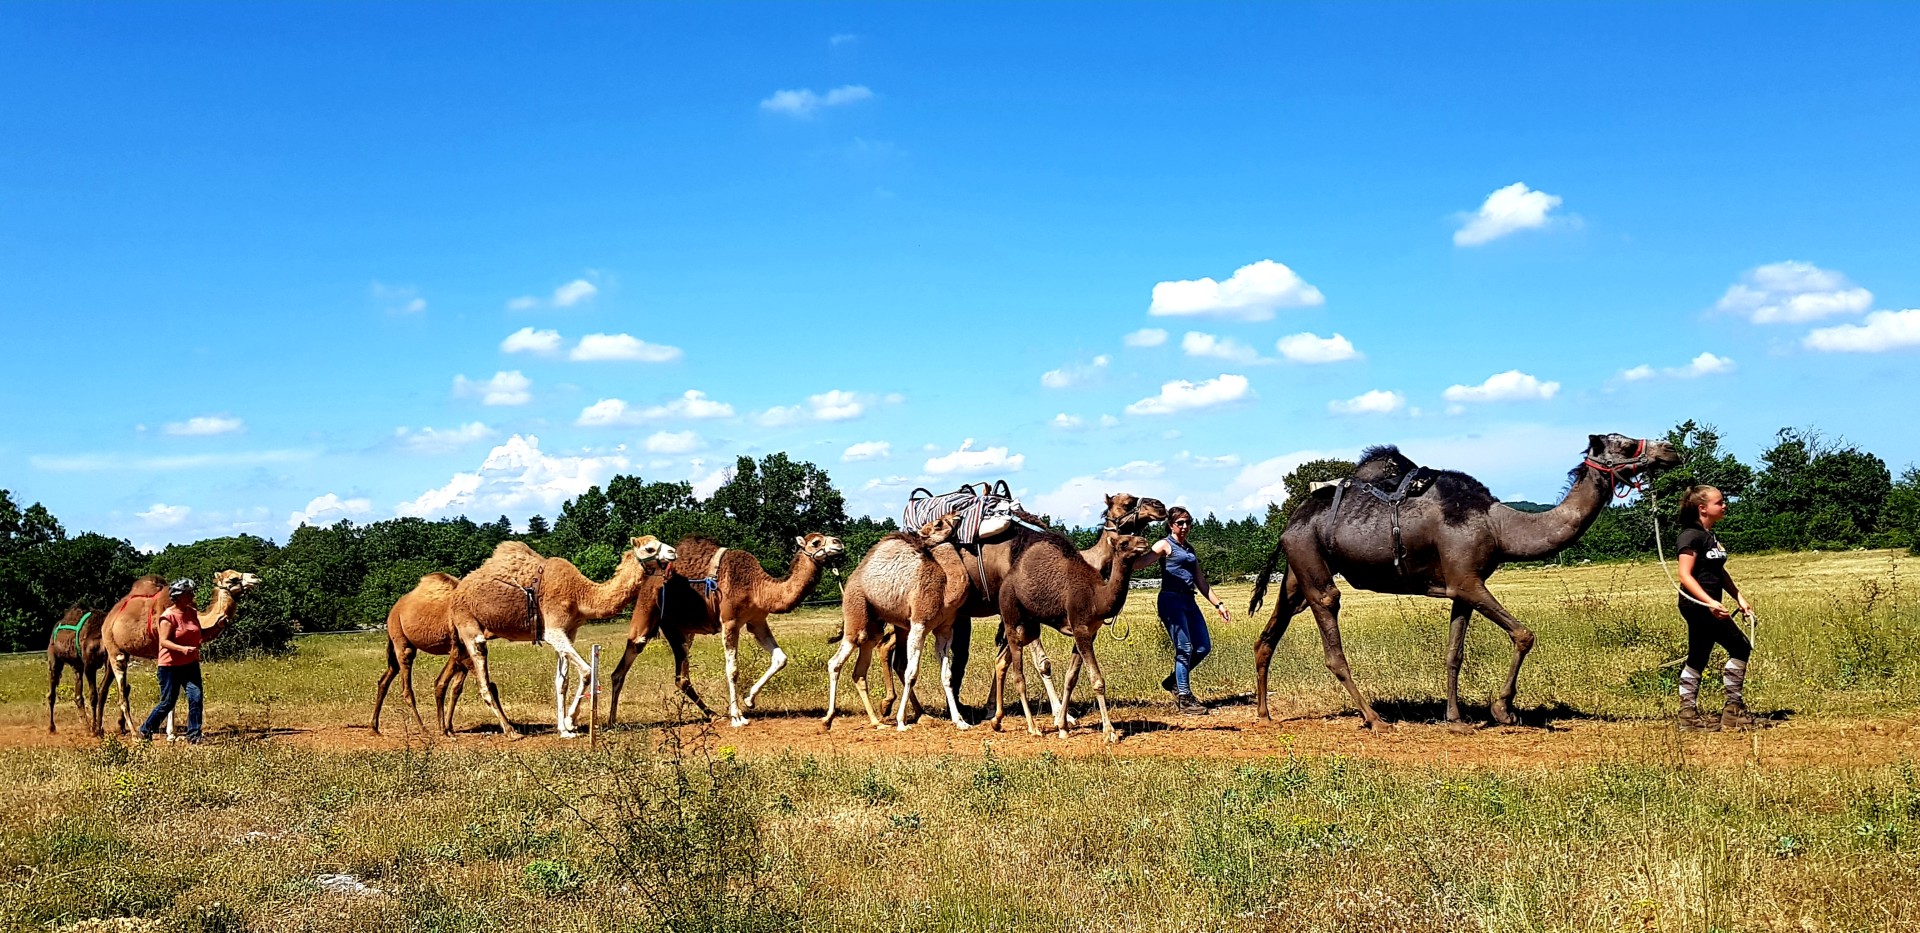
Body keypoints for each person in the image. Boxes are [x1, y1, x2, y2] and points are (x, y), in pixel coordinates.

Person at [1673, 486, 1757, 731]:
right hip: (1698, 605)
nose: (1724, 505)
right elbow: (1685, 575)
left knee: (1698, 656)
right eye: (1719, 502)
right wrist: (1709, 603)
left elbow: (1718, 572)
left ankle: (1688, 715)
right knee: (1740, 646)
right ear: (1703, 508)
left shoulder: (1709, 536)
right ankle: (1733, 710)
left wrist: (1739, 598)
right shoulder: (1690, 536)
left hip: (1709, 604)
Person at [1150, 507, 1230, 714]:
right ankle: (1184, 698)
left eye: (1188, 522)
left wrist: (1218, 604)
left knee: (1203, 647)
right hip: (1171, 601)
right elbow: (1141, 563)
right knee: (1184, 648)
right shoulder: (1164, 545)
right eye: (1180, 523)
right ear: (1170, 525)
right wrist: (1125, 555)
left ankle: (1173, 681)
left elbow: (1200, 581)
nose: (1185, 526)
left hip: (1189, 601)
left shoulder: (1189, 549)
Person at [140, 578, 206, 744]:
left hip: (190, 664)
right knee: (168, 702)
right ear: (179, 596)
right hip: (170, 667)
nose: (192, 595)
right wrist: (183, 649)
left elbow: (199, 634)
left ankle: (194, 735)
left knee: (196, 698)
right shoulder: (168, 617)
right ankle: (145, 729)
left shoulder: (192, 613)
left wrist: (218, 627)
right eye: (189, 593)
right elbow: (164, 642)